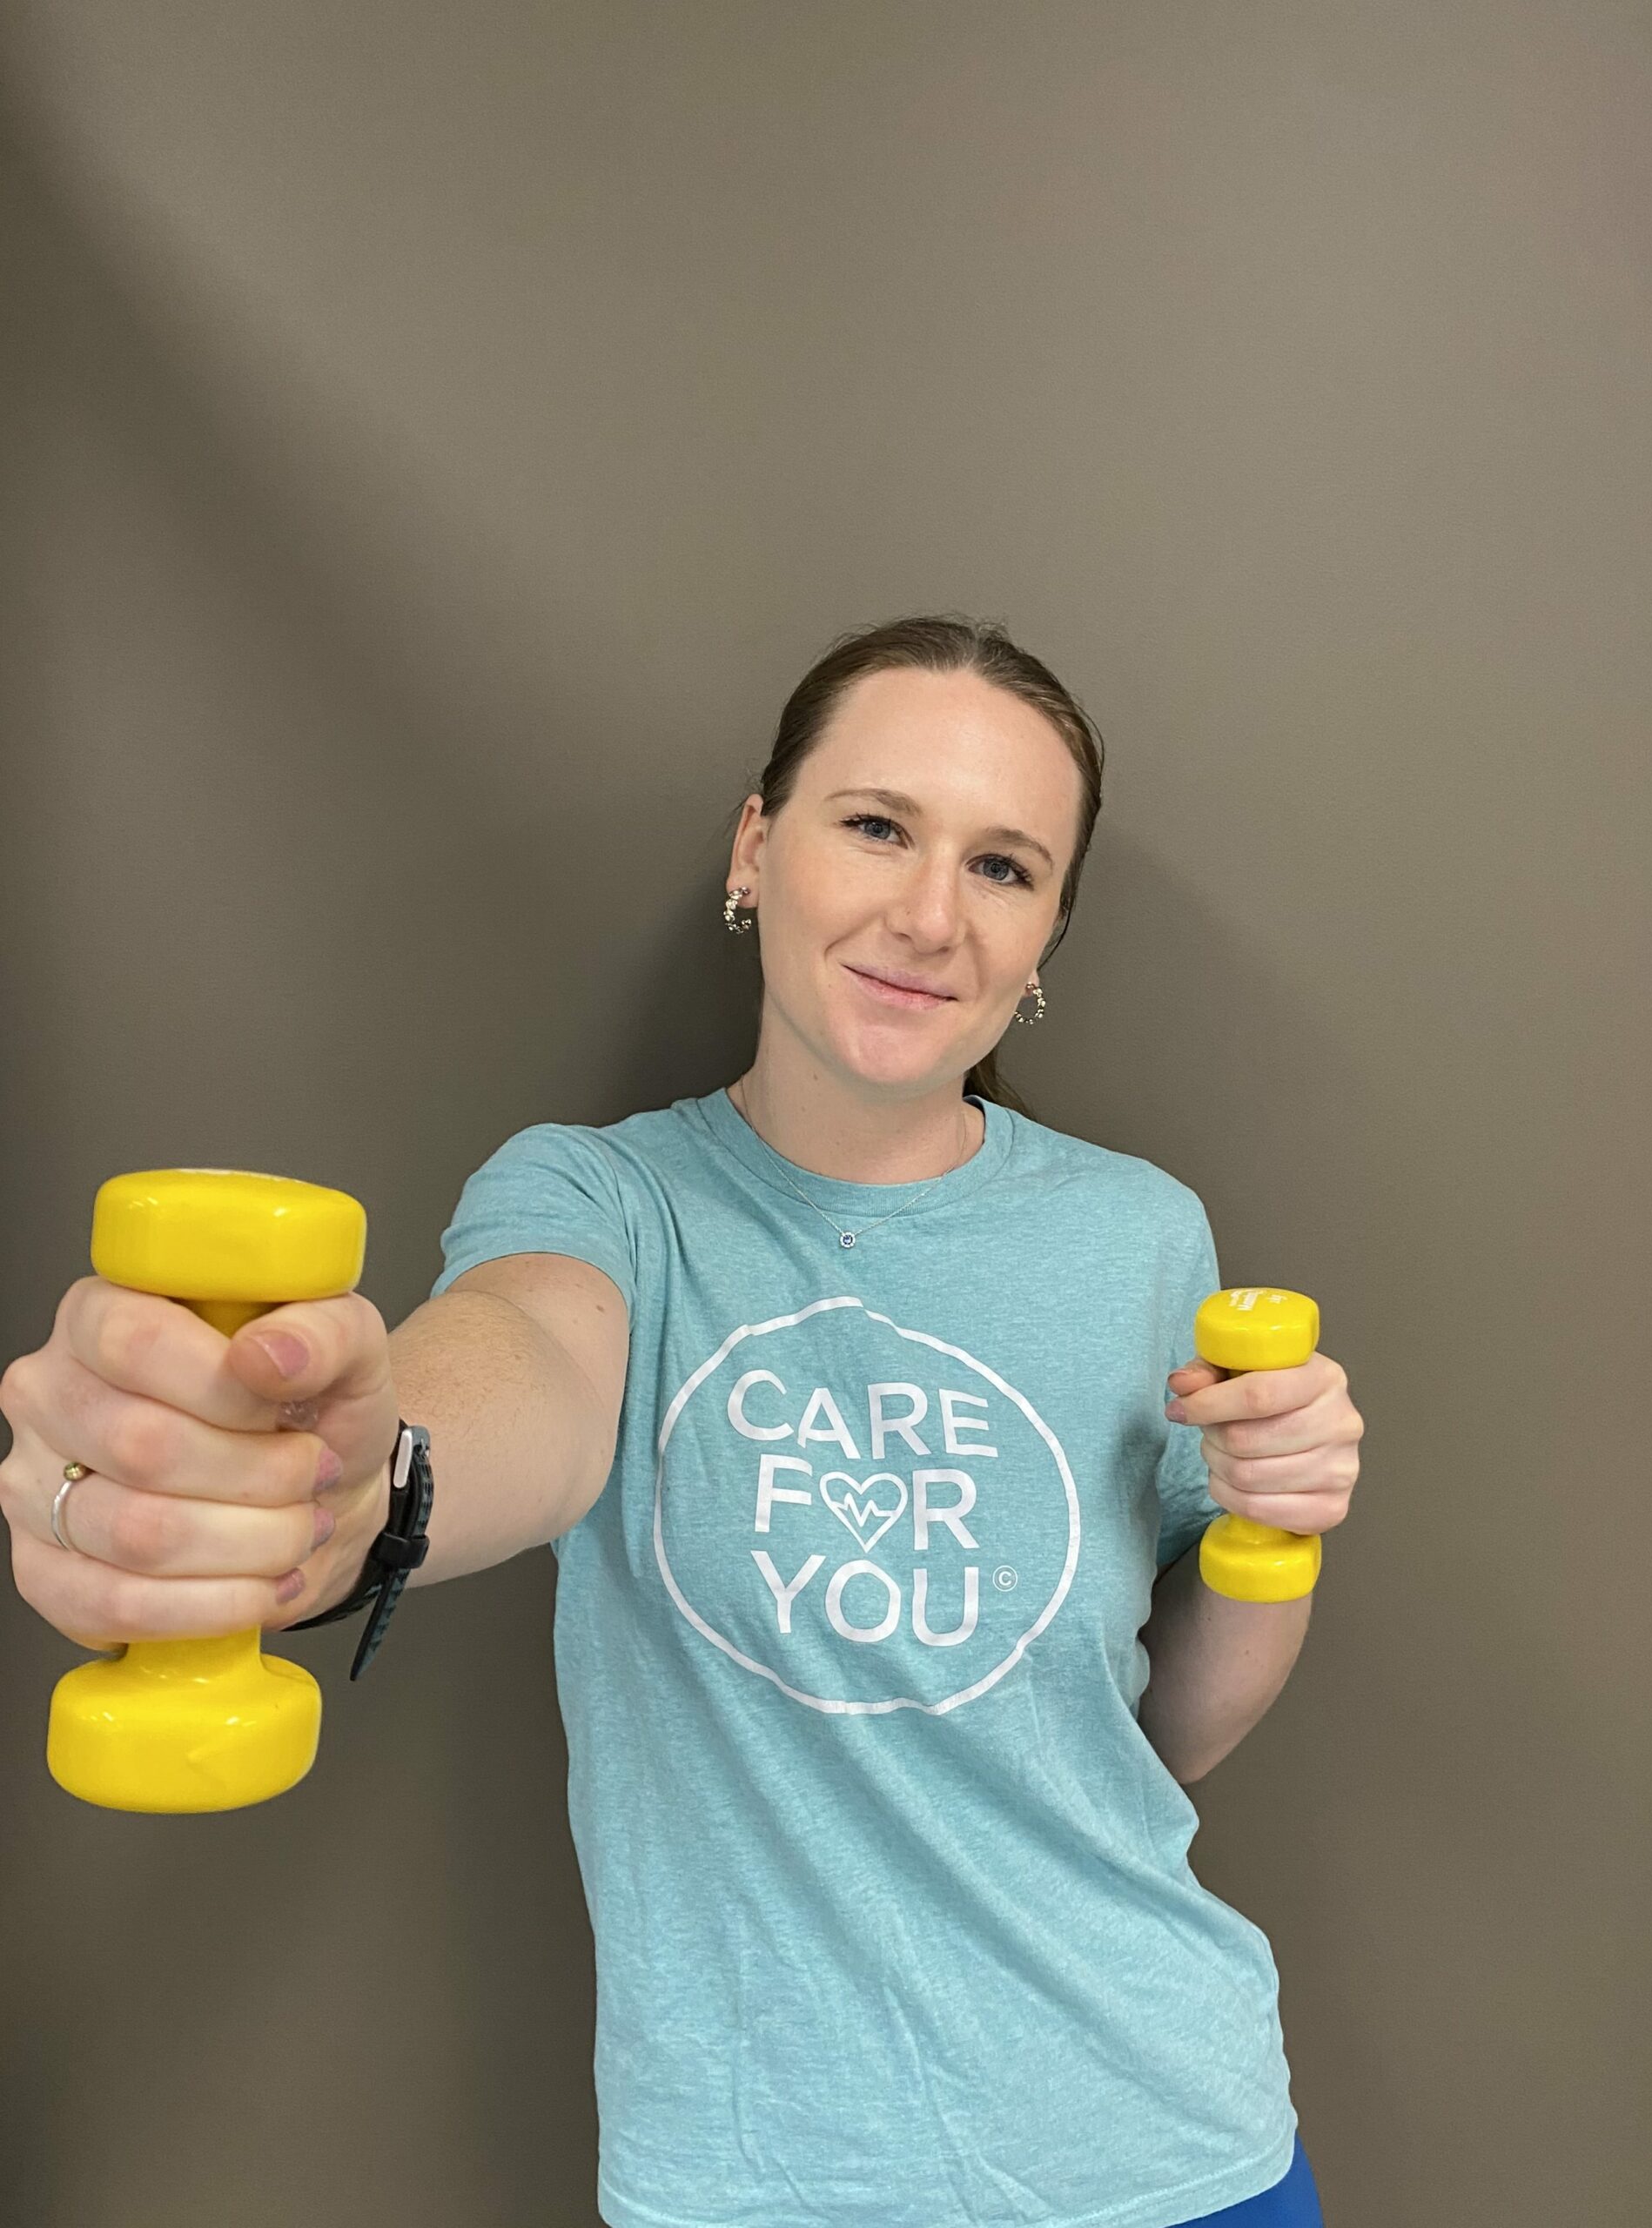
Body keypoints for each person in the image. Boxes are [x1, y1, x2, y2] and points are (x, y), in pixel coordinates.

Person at [3, 614, 1360, 2227]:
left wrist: (1279, 1524)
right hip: (761, 2182)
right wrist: (353, 1484)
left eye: (1004, 868)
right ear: (756, 849)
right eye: (878, 826)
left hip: (1171, 2148)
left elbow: (1154, 1741)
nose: (931, 916)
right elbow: (530, 1364)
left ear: (1046, 935)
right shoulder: (600, 1198)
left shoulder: (1141, 1237)